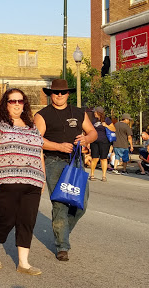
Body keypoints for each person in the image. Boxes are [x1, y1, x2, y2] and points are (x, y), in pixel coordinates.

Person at [0, 88, 46, 275]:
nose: (17, 104)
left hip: (32, 181)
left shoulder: (31, 126)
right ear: (6, 103)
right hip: (3, 180)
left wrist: (41, 177)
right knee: (7, 218)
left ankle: (23, 263)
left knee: (27, 220)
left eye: (20, 101)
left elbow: (39, 152)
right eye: (12, 101)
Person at [34, 79, 97, 261]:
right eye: (55, 92)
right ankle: (62, 245)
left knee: (80, 205)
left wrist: (86, 139)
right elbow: (37, 140)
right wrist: (58, 146)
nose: (59, 95)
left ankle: (61, 229)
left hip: (76, 163)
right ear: (50, 94)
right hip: (54, 163)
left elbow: (92, 132)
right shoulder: (43, 115)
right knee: (60, 204)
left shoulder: (78, 112)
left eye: (63, 92)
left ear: (68, 94)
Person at [88, 107, 115, 181]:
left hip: (104, 142)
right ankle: (92, 174)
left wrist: (106, 125)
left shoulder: (107, 120)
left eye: (95, 112)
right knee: (95, 158)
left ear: (99, 113)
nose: (94, 113)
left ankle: (103, 176)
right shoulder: (93, 120)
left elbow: (113, 129)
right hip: (94, 141)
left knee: (103, 158)